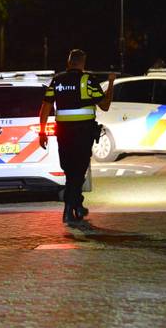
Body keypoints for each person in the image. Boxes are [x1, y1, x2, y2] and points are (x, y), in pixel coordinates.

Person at [38, 49, 115, 224]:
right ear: (82, 62)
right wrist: (111, 83)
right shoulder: (87, 81)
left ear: (69, 62)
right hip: (82, 132)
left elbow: (45, 107)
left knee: (70, 171)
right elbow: (105, 105)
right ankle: (68, 210)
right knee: (78, 173)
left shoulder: (57, 81)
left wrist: (42, 132)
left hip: (63, 133)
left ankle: (77, 206)